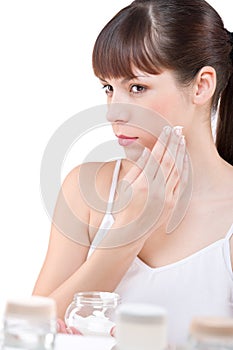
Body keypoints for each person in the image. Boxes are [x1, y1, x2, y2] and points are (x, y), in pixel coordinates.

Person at [32, 0, 233, 346]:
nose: (113, 113)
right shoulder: (85, 192)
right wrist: (128, 233)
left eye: (137, 88)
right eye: (108, 88)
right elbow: (31, 334)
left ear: (201, 86)